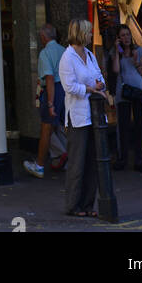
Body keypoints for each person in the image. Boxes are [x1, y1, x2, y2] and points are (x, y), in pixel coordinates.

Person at [59, 17, 112, 217]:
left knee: (92, 161)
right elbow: (69, 87)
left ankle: (88, 205)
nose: (91, 34)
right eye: (89, 31)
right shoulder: (67, 57)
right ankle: (73, 205)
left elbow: (100, 78)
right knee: (77, 162)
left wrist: (98, 86)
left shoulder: (89, 55)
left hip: (94, 116)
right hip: (78, 116)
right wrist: (91, 88)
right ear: (80, 33)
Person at [24, 22, 66, 178]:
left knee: (46, 129)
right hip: (65, 91)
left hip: (52, 90)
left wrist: (50, 102)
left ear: (43, 37)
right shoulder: (64, 51)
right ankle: (63, 155)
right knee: (59, 127)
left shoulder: (45, 53)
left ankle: (40, 165)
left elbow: (49, 77)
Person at [110, 24, 142, 172]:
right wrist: (118, 53)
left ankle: (140, 160)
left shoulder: (138, 51)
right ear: (118, 38)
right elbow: (116, 70)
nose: (126, 38)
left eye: (127, 35)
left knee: (139, 126)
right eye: (123, 35)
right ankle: (122, 159)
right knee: (123, 127)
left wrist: (136, 61)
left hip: (138, 90)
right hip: (123, 93)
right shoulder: (116, 53)